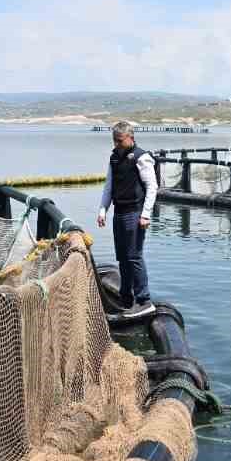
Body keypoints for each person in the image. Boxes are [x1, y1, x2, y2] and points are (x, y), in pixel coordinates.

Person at [96, 121, 159, 317]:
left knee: (134, 256)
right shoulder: (114, 158)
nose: (116, 144)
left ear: (130, 138)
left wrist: (146, 214)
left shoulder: (142, 158)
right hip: (119, 212)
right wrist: (102, 210)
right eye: (114, 140)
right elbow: (109, 186)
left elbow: (152, 187)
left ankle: (144, 300)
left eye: (119, 140)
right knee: (122, 258)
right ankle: (126, 299)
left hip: (135, 213)